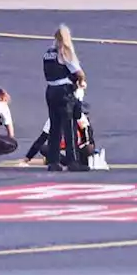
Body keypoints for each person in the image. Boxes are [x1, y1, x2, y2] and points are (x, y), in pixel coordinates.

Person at [42, 24, 89, 172]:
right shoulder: (65, 52)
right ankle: (72, 161)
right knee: (69, 127)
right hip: (64, 92)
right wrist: (80, 81)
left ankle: (54, 161)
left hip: (50, 90)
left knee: (55, 128)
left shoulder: (48, 53)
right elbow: (78, 72)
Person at [21, 92, 108, 170]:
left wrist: (89, 147)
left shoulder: (80, 117)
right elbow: (42, 139)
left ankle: (73, 160)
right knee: (44, 148)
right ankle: (67, 161)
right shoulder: (53, 119)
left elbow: (88, 135)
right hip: (61, 150)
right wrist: (27, 158)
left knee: (88, 148)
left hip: (77, 150)